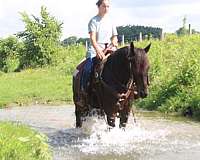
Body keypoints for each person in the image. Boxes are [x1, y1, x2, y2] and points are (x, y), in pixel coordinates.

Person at [79, 0, 118, 106]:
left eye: (108, 6)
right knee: (87, 69)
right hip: (95, 49)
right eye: (104, 6)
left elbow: (114, 36)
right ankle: (83, 93)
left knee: (121, 64)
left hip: (109, 48)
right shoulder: (93, 21)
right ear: (99, 7)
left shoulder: (111, 21)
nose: (106, 8)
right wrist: (98, 50)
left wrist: (114, 42)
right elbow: (92, 38)